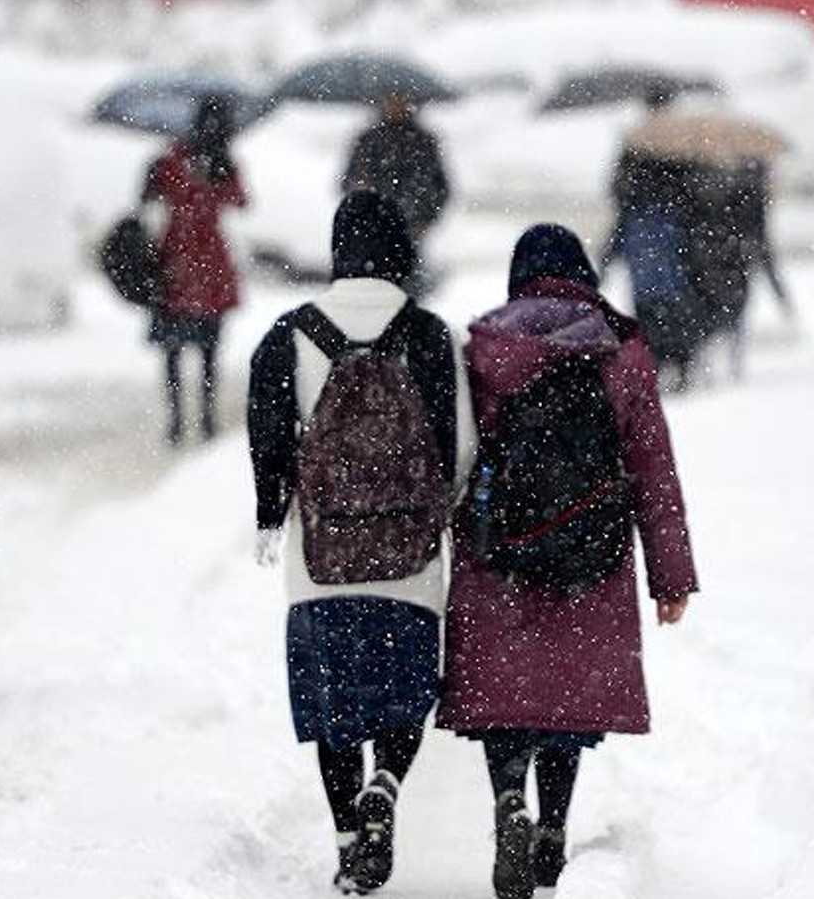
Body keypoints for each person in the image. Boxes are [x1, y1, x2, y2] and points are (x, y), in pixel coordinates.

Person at [438, 224, 698, 899]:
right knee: (564, 699)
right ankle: (552, 825)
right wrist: (671, 577)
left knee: (508, 700)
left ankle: (508, 801)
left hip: (501, 555)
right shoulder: (620, 348)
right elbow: (654, 471)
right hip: (593, 552)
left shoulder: (485, 348)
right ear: (583, 274)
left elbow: (457, 459)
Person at [247, 190, 474, 894]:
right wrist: (440, 512)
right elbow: (459, 447)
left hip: (321, 559)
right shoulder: (430, 335)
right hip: (407, 560)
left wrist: (270, 511)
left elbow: (267, 439)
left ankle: (350, 839)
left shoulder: (290, 334)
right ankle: (386, 784)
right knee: (405, 695)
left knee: (334, 707)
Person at [143, 94, 248, 446]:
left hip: (176, 262)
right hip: (206, 263)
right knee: (207, 350)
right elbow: (240, 200)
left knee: (175, 351)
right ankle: (204, 418)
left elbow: (148, 199)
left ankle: (178, 420)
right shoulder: (218, 162)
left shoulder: (173, 159)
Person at [598, 146, 705, 391]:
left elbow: (617, 237)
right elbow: (689, 245)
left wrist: (604, 265)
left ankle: (656, 371)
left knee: (650, 328)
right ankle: (677, 369)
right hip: (670, 278)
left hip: (645, 277)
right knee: (673, 326)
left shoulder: (634, 192)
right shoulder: (677, 192)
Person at [687, 158, 792, 383]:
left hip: (711, 270)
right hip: (733, 271)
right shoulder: (751, 200)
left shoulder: (721, 196)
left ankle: (712, 370)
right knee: (732, 323)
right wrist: (778, 290)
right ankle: (730, 371)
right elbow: (762, 248)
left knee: (712, 324)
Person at [342, 92, 451, 298]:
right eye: (389, 99)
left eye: (401, 99)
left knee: (411, 287)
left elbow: (441, 188)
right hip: (373, 230)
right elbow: (347, 183)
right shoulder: (368, 140)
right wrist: (361, 189)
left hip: (412, 228)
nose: (395, 105)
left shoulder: (424, 141)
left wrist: (426, 218)